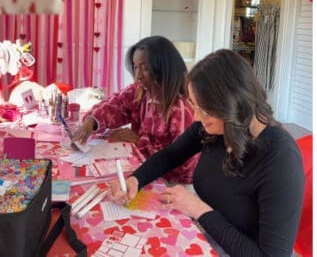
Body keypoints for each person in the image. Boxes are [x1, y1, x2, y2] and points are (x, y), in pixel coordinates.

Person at [107, 49, 304, 257]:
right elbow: (171, 155)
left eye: (205, 110)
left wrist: (198, 209)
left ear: (232, 105)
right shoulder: (219, 126)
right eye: (195, 106)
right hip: (207, 236)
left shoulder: (281, 159)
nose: (196, 118)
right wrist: (135, 180)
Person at [72, 36, 198, 184]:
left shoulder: (180, 109)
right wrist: (91, 122)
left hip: (172, 183)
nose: (137, 76)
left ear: (162, 68)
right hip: (144, 170)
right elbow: (116, 104)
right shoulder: (141, 91)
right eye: (136, 67)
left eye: (145, 68)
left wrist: (140, 141)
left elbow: (183, 165)